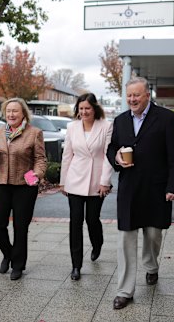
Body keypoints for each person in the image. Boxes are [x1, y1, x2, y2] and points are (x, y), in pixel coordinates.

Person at [106, 77, 174, 309]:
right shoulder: (120, 121)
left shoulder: (167, 118)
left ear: (147, 96)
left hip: (156, 189)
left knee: (152, 234)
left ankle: (151, 266)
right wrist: (117, 158)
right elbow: (112, 148)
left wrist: (173, 187)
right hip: (129, 188)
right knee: (125, 239)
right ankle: (124, 290)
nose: (132, 99)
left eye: (137, 95)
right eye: (129, 95)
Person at [0, 97, 47, 281]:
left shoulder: (34, 133)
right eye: (8, 111)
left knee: (20, 227)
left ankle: (18, 265)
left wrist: (37, 175)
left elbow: (41, 159)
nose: (11, 114)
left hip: (24, 187)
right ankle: (8, 254)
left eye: (15, 111)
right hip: (3, 184)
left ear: (23, 114)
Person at [59, 93, 113, 281]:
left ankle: (97, 244)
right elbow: (67, 155)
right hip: (75, 179)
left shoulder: (106, 126)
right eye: (81, 108)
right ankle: (76, 265)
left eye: (87, 108)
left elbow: (108, 155)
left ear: (95, 108)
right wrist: (63, 181)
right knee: (75, 222)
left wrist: (105, 181)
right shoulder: (72, 127)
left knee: (92, 219)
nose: (84, 112)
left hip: (97, 180)